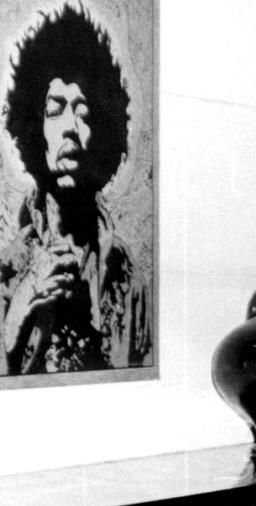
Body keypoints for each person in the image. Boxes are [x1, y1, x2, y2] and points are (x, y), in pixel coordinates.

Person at [0, 3, 151, 375]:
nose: (71, 126)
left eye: (83, 113)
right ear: (33, 128)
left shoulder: (127, 277)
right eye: (56, 110)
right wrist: (16, 317)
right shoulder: (9, 267)